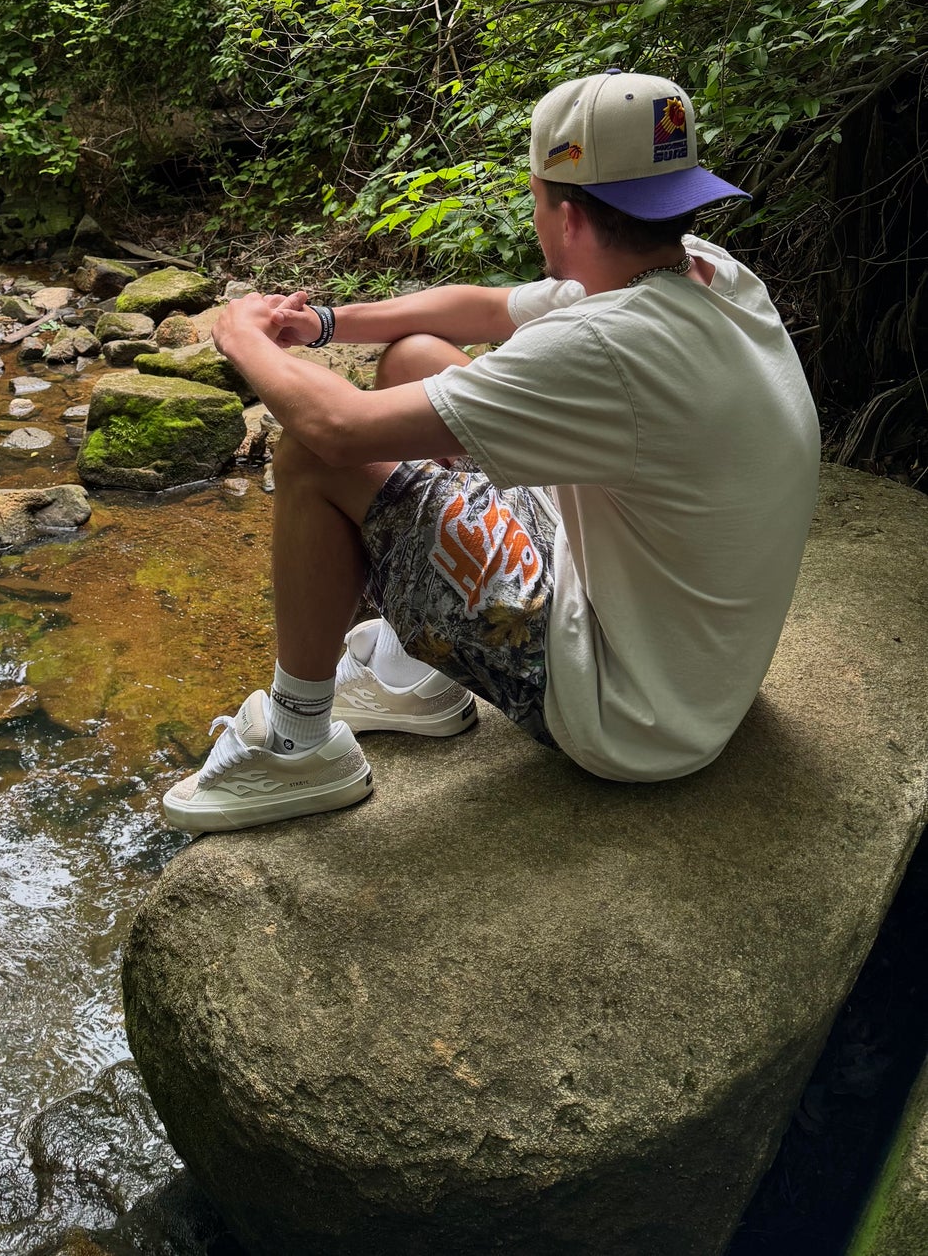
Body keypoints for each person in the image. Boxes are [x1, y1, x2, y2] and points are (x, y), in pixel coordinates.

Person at [162, 68, 821, 834]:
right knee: (414, 358)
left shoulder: (607, 345)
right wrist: (324, 324)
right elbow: (477, 306)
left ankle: (297, 742)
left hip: (635, 715)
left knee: (314, 455)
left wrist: (241, 335)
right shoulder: (701, 271)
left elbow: (337, 428)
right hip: (694, 658)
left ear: (565, 215)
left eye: (536, 195)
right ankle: (415, 681)